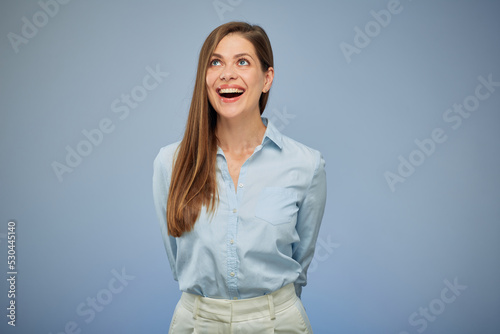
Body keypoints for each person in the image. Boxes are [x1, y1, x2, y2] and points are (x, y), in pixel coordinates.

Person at [153, 21, 327, 333]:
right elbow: (178, 258)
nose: (227, 74)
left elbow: (300, 263)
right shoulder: (171, 162)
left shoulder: (306, 164)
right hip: (197, 323)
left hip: (279, 323)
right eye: (215, 62)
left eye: (242, 62)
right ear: (205, 78)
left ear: (267, 79)